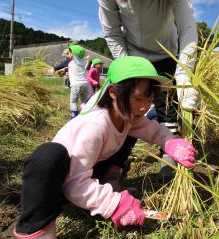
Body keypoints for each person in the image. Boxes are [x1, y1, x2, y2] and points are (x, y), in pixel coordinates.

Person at [13, 56, 198, 239]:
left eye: (149, 100)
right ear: (113, 92)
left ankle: (104, 187)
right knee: (48, 157)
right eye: (138, 99)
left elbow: (154, 131)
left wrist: (171, 142)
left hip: (84, 172)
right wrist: (114, 204)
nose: (144, 107)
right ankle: (34, 230)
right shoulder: (95, 126)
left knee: (127, 137)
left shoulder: (127, 117)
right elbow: (74, 183)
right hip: (58, 182)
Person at [98, 0, 200, 181]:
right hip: (131, 54)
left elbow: (187, 28)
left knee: (168, 109)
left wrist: (184, 76)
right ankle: (116, 162)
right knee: (127, 109)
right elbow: (112, 32)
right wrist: (128, 66)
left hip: (166, 53)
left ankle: (168, 157)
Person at [67, 43, 94, 119]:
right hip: (86, 85)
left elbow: (69, 73)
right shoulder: (84, 62)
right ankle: (85, 114)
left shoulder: (71, 63)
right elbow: (88, 65)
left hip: (76, 85)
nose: (68, 55)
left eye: (69, 53)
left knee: (73, 101)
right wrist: (89, 59)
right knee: (84, 100)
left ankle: (74, 116)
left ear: (73, 55)